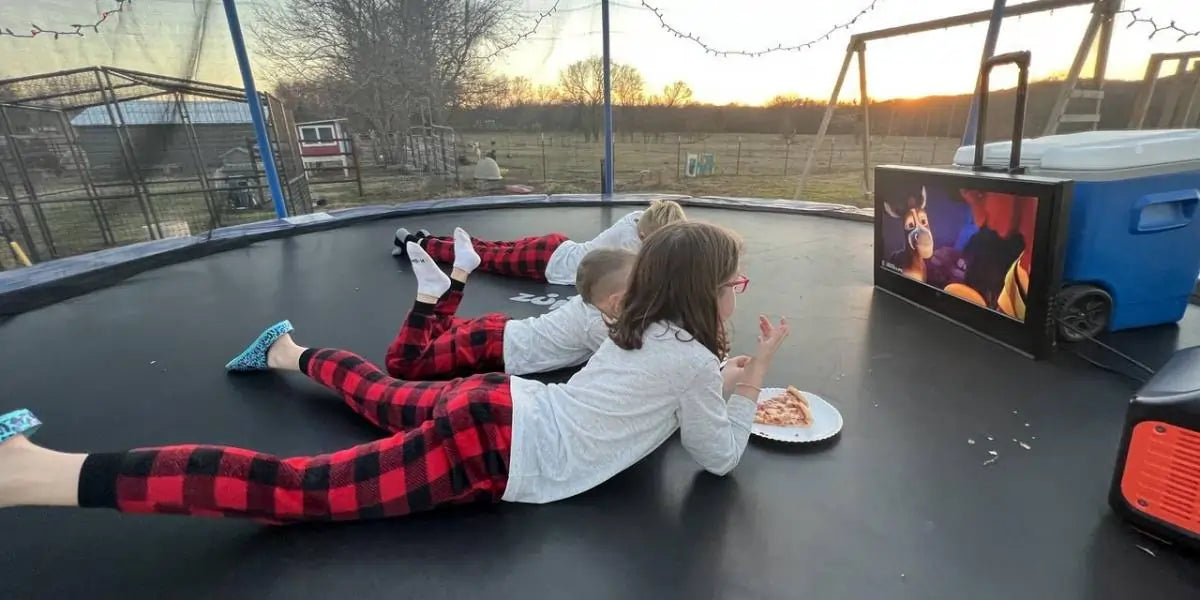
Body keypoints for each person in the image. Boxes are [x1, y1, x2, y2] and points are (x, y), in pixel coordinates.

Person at [0, 221, 788, 523]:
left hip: (499, 408)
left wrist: (722, 379)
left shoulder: (639, 326)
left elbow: (656, 397)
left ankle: (286, 350)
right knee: (295, 489)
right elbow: (716, 457)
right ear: (702, 293)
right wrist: (753, 380)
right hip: (498, 448)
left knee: (386, 393)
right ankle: (37, 471)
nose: (736, 295)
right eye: (733, 285)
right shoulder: (685, 357)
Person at [383, 228, 634, 380]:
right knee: (403, 363)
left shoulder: (594, 301)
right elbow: (632, 364)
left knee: (435, 330)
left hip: (498, 332)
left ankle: (459, 273)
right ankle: (428, 296)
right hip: (492, 346)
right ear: (614, 299)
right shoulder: (599, 325)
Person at [391, 199, 686, 284]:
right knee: (481, 256)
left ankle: (425, 239)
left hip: (555, 245)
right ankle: (414, 244)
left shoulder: (636, 218)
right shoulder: (632, 247)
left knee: (487, 247)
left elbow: (662, 219)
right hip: (547, 263)